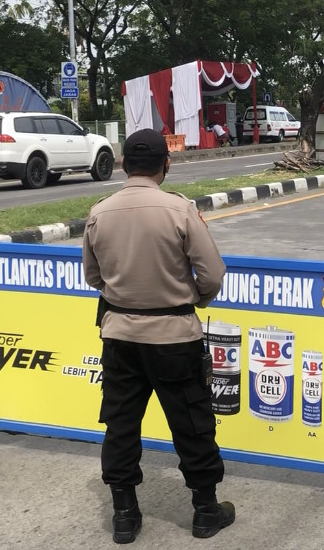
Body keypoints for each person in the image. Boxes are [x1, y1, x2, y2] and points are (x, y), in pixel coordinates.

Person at [82, 128, 233, 544]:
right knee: (191, 423)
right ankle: (205, 512)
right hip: (174, 337)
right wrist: (192, 299)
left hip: (120, 337)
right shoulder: (180, 211)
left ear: (123, 165)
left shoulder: (100, 212)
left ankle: (125, 515)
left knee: (121, 424)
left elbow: (93, 276)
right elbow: (214, 274)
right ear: (165, 165)